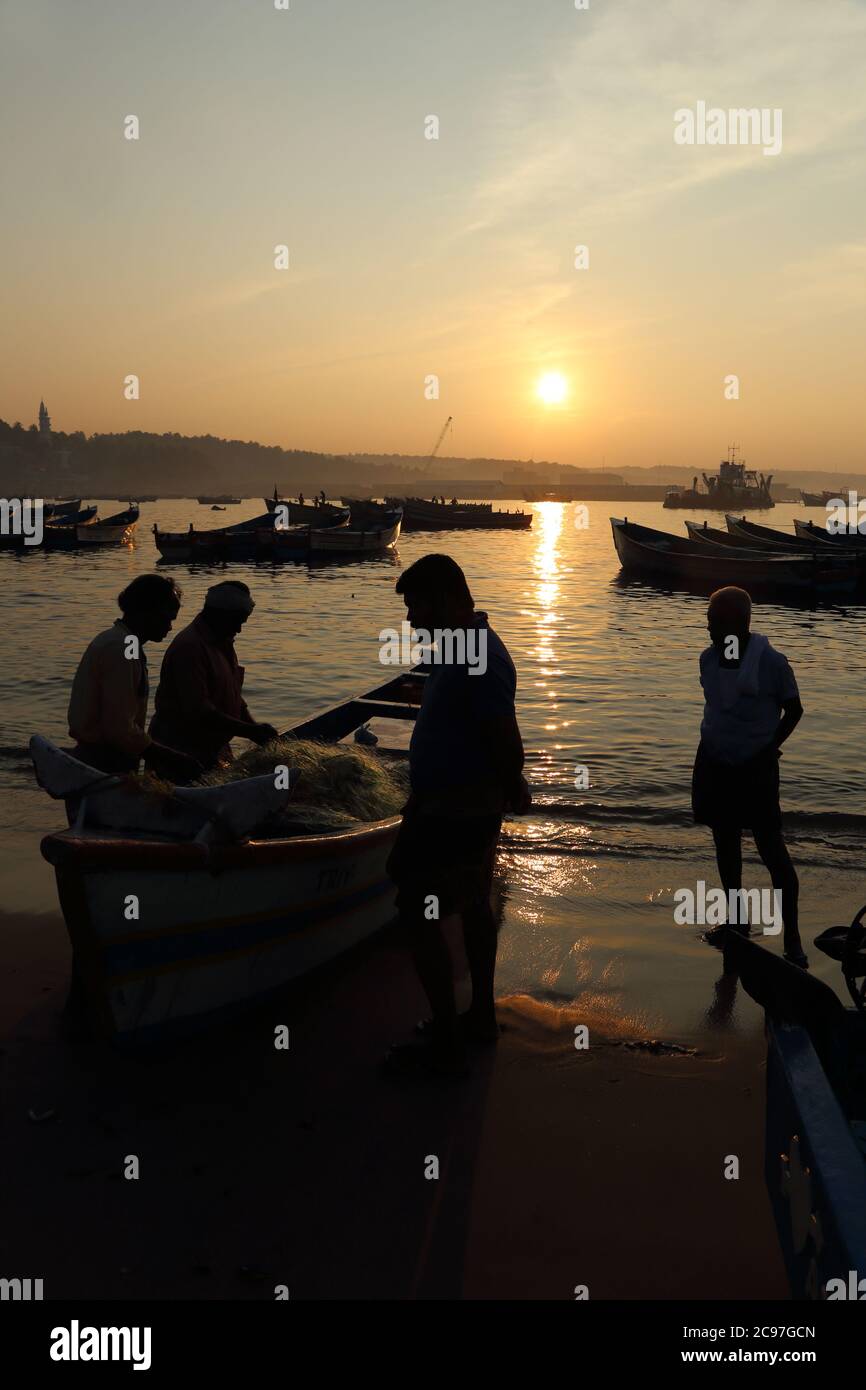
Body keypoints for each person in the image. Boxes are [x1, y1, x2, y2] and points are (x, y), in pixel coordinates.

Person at [384, 554, 531, 1079]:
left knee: (417, 912)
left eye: (416, 606)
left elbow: (503, 736)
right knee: (472, 905)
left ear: (447, 599)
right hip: (453, 805)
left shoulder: (477, 656)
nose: (411, 620)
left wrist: (509, 783)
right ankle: (479, 1018)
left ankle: (448, 1037)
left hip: (456, 812)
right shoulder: (460, 649)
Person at [692, 586, 806, 966]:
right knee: (725, 843)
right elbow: (717, 710)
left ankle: (792, 937)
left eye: (714, 622)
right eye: (709, 621)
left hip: (755, 767)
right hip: (715, 761)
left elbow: (794, 710)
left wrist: (768, 749)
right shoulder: (708, 660)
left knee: (771, 847)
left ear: (738, 624)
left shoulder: (772, 663)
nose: (708, 629)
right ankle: (737, 921)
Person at [67, 573, 199, 780]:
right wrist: (169, 757)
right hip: (102, 764)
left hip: (104, 759)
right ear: (147, 612)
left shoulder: (120, 642)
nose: (170, 627)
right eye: (167, 618)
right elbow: (119, 728)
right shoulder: (121, 647)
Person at [149, 580, 278, 778]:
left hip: (215, 751)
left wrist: (254, 728)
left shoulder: (224, 642)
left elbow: (235, 700)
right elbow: (199, 711)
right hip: (181, 754)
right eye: (238, 622)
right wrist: (250, 731)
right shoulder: (190, 647)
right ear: (220, 615)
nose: (239, 629)